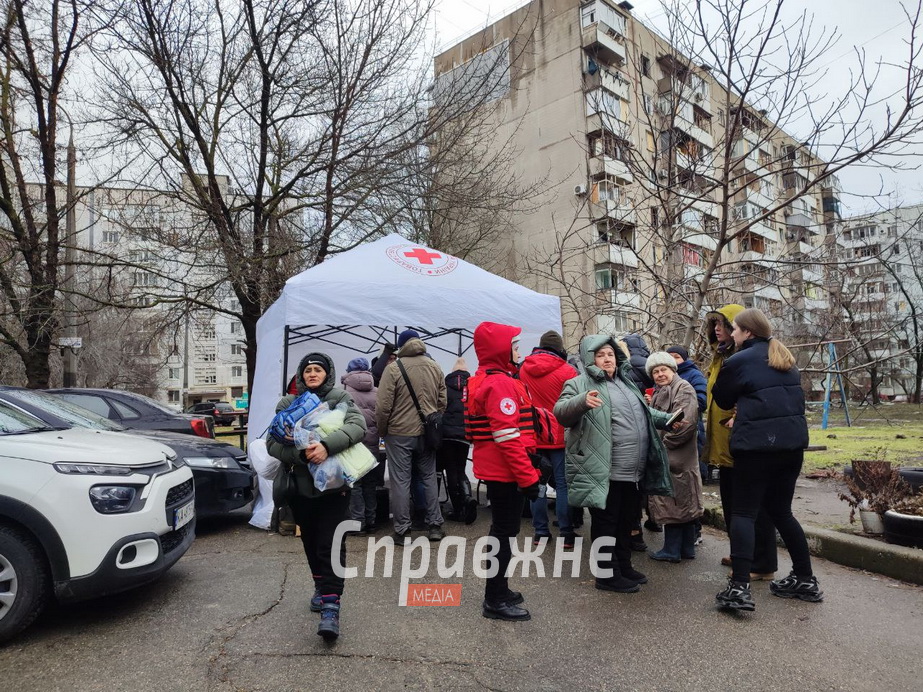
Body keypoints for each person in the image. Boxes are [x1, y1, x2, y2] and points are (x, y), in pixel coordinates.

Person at [712, 308, 823, 610]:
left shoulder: (738, 361)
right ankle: (805, 577)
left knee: (744, 514)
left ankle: (739, 588)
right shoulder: (785, 358)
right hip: (791, 447)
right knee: (781, 513)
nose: (731, 334)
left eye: (734, 329)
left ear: (747, 332)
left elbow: (721, 399)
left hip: (756, 449)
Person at [554, 336, 674, 594]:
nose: (607, 359)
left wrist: (668, 419)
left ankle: (623, 565)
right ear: (590, 358)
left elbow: (643, 412)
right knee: (606, 522)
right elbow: (561, 413)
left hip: (633, 469)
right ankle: (606, 574)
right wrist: (582, 401)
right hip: (605, 469)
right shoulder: (578, 383)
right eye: (600, 355)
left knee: (626, 521)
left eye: (610, 354)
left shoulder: (625, 382)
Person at [267, 352, 367, 641]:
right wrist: (299, 454)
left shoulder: (339, 398)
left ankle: (331, 608)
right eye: (308, 370)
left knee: (331, 544)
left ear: (328, 373)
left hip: (335, 486)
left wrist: (326, 446)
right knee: (311, 541)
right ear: (301, 375)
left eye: (318, 370)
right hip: (300, 487)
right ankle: (321, 588)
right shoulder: (287, 403)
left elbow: (358, 426)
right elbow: (273, 443)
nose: (312, 374)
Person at [466, 322, 540, 621]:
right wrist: (529, 477)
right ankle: (495, 599)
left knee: (503, 532)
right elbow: (507, 437)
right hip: (506, 471)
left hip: (497, 468)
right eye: (515, 345)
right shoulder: (501, 384)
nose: (518, 351)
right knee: (503, 534)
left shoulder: (484, 379)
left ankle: (500, 590)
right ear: (500, 349)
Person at [704, 304, 778, 580]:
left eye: (724, 324)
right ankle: (741, 554)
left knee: (751, 507)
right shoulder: (720, 356)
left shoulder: (744, 358)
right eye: (714, 325)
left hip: (744, 440)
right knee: (732, 503)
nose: (718, 329)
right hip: (725, 442)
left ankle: (761, 562)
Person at [376, 329, 447, 542]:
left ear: (401, 346)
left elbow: (383, 407)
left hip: (398, 433)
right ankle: (434, 525)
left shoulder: (393, 368)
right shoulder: (435, 366)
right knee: (428, 478)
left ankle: (402, 530)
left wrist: (382, 430)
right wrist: (432, 419)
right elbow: (442, 401)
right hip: (427, 433)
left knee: (400, 481)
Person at [519, 329, 578, 547]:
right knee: (563, 485)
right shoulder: (568, 371)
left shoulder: (523, 368)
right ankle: (567, 534)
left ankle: (540, 532)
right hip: (560, 436)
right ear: (560, 348)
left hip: (533, 435)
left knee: (538, 484)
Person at [644, 352, 704, 562]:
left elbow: (684, 424)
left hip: (676, 455)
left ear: (673, 369)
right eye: (656, 371)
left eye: (664, 370)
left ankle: (671, 550)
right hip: (674, 457)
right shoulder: (663, 390)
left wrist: (662, 446)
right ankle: (686, 549)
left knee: (674, 502)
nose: (660, 374)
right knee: (681, 502)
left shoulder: (684, 388)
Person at [341, 357, 379, 535]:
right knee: (370, 484)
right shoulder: (378, 392)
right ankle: (372, 521)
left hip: (353, 445)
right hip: (373, 444)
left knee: (355, 485)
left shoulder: (344, 393)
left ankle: (358, 523)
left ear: (349, 372)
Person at [438, 357, 477, 524]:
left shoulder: (444, 387)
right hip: (464, 435)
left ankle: (458, 508)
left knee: (450, 470)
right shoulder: (473, 387)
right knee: (460, 469)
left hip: (446, 435)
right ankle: (467, 498)